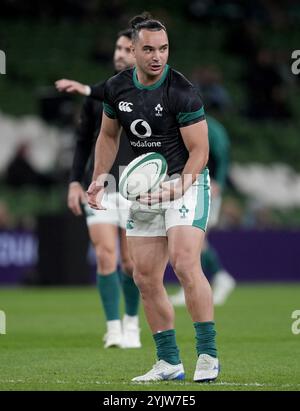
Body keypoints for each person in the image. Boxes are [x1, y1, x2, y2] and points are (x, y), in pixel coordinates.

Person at [87, 13, 219, 382]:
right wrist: (99, 177)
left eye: (163, 48)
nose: (157, 56)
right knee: (144, 276)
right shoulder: (116, 88)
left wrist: (179, 186)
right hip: (143, 188)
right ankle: (169, 362)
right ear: (133, 49)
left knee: (184, 262)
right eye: (148, 49)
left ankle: (207, 355)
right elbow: (108, 136)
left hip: (186, 183)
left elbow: (200, 152)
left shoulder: (181, 90)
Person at [55, 29, 141, 349]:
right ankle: (114, 327)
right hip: (102, 183)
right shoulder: (99, 98)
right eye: (117, 47)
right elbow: (82, 142)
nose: (119, 53)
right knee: (106, 256)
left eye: (127, 48)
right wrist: (75, 181)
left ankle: (132, 323)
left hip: (135, 187)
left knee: (131, 264)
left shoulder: (150, 94)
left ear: (140, 53)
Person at [170, 115, 236, 306]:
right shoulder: (178, 124)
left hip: (205, 187)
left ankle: (212, 279)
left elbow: (222, 156)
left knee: (192, 239)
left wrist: (219, 182)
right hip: (187, 186)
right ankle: (217, 278)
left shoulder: (211, 128)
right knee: (192, 240)